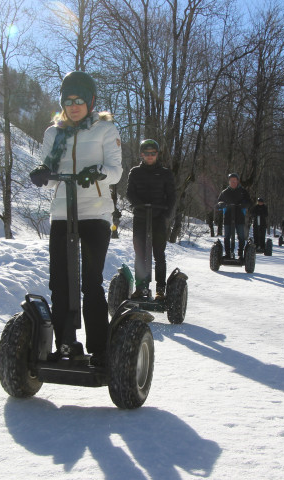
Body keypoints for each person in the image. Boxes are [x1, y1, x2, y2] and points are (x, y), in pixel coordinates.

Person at [29, 71, 122, 364]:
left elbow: (116, 172)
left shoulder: (105, 129)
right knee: (59, 282)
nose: (73, 106)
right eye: (68, 101)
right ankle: (66, 343)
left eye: (79, 100)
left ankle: (100, 348)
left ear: (90, 101)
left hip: (96, 212)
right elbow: (49, 172)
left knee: (91, 282)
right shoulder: (54, 134)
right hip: (62, 213)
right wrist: (42, 173)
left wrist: (98, 172)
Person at [126, 139, 176, 300]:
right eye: (146, 153)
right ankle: (141, 287)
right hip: (140, 217)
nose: (150, 156)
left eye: (153, 153)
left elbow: (171, 196)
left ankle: (160, 289)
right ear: (142, 154)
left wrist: (166, 214)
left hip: (158, 217)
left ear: (157, 154)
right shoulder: (135, 172)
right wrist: (138, 204)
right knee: (140, 254)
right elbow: (129, 193)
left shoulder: (165, 173)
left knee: (159, 254)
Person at [216, 173, 251, 259]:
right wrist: (221, 204)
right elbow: (218, 203)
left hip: (239, 216)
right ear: (229, 182)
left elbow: (249, 202)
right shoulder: (224, 192)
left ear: (237, 181)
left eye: (235, 181)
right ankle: (228, 253)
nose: (233, 182)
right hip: (228, 216)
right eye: (231, 181)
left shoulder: (243, 192)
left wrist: (244, 205)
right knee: (227, 236)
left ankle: (240, 254)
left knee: (241, 236)